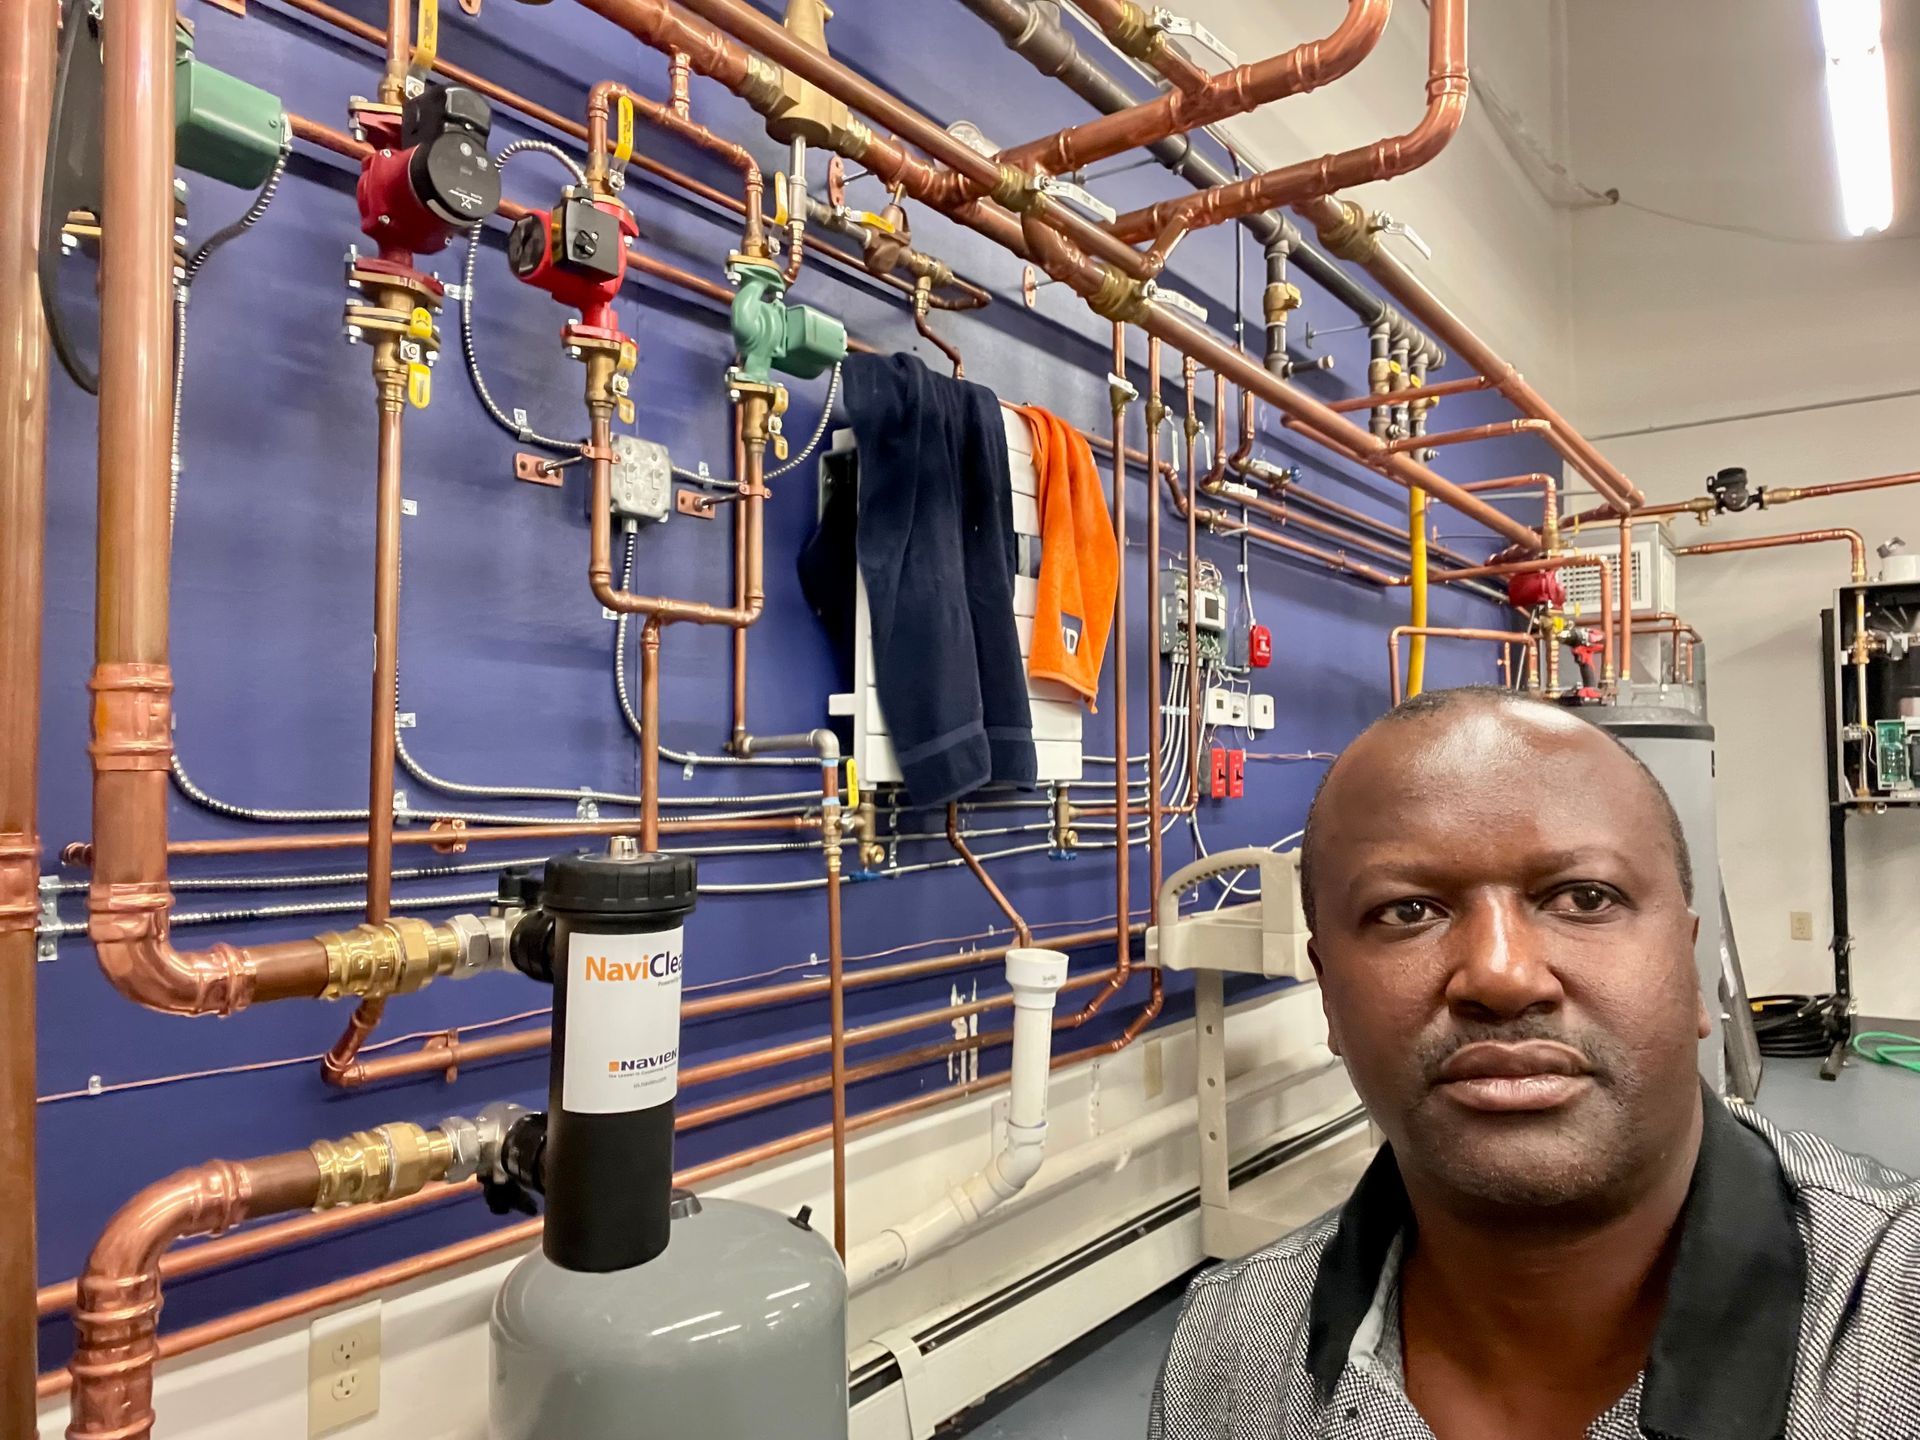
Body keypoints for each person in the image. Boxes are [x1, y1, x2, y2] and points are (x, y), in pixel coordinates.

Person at [1150, 687, 1920, 1440]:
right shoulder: (1226, 1358)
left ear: (1689, 972)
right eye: (1408, 911)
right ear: (1329, 999)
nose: (1501, 975)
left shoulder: (1894, 1314)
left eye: (1584, 897)